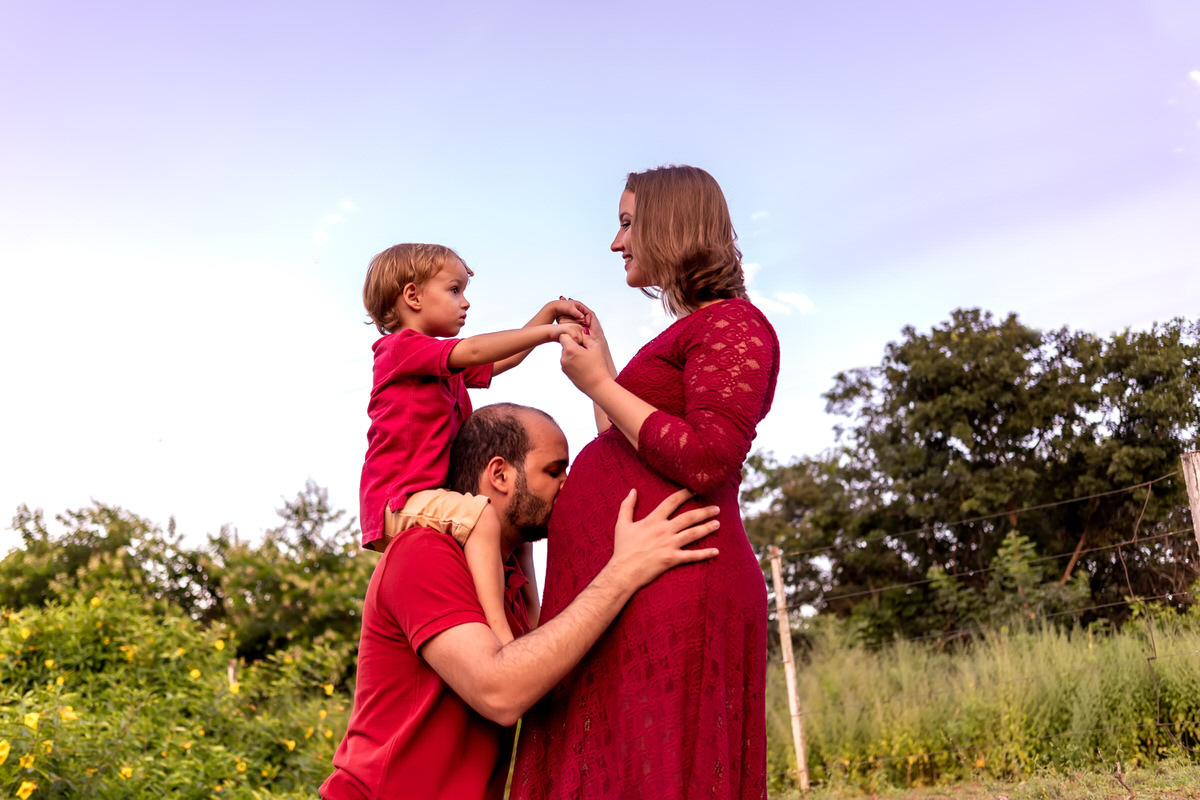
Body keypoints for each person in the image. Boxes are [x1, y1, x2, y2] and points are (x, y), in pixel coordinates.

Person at [512, 165, 781, 799]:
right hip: (636, 585)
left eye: (627, 223)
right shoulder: (688, 332)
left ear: (670, 223)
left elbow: (710, 457)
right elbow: (631, 446)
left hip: (682, 584)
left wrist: (603, 383)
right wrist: (604, 372)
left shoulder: (736, 324)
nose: (616, 242)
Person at [321, 403, 721, 800]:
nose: (568, 483)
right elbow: (499, 691)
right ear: (500, 474)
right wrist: (623, 572)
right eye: (554, 470)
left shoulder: (509, 579)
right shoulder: (425, 552)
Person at [359, 242, 588, 642]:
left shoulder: (439, 367)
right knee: (484, 517)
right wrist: (552, 332)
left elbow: (503, 360)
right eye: (454, 290)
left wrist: (547, 312)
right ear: (412, 296)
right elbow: (479, 348)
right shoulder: (401, 350)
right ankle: (500, 636)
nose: (465, 303)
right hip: (399, 500)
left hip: (429, 495)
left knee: (516, 536)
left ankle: (535, 625)